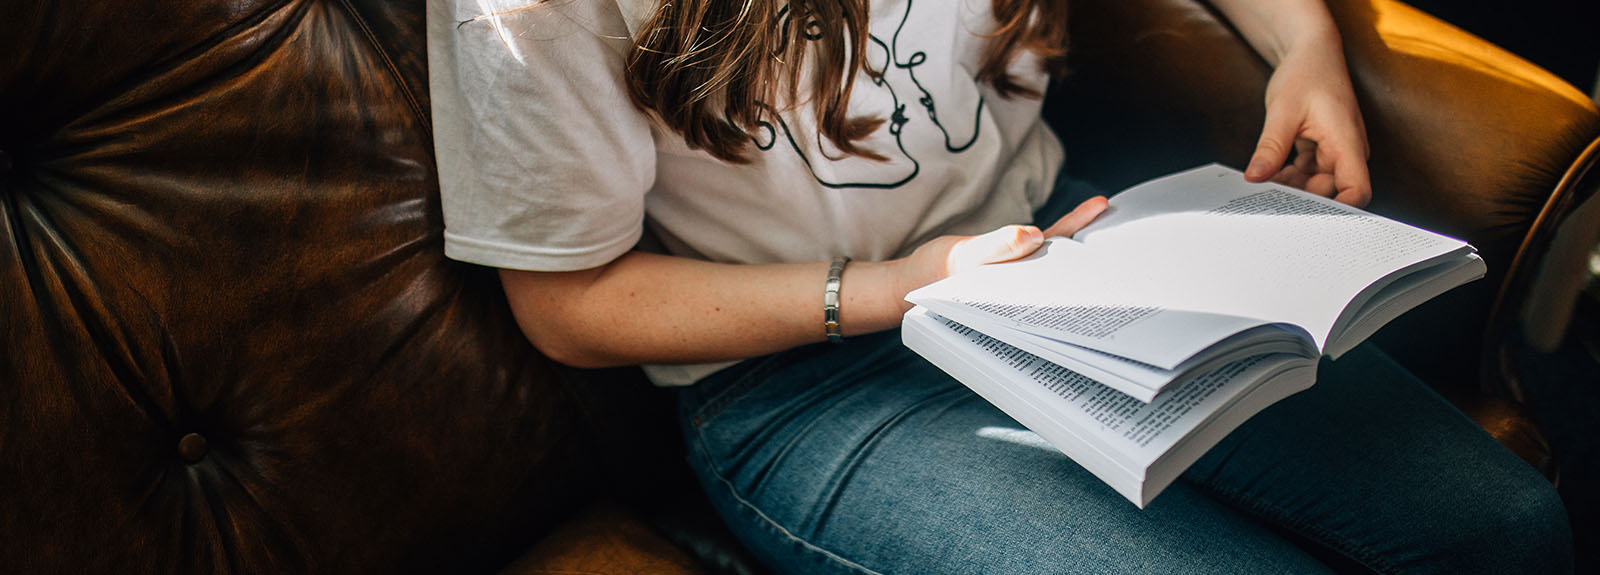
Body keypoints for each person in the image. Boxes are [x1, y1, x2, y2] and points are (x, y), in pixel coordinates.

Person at [426, 0, 1574, 572]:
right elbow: (567, 308)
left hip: (1070, 260)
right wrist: (890, 287)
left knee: (1508, 523)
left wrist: (1308, 46)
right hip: (817, 383)